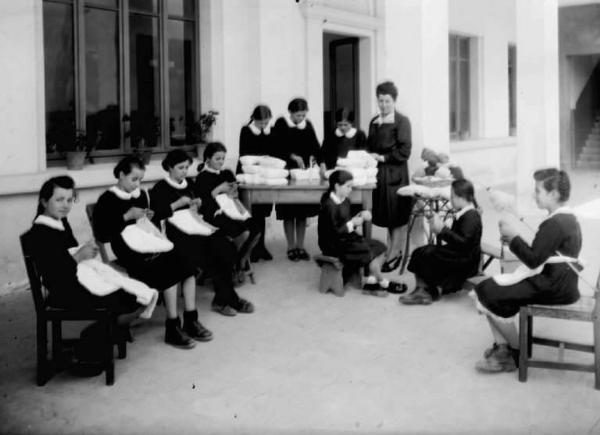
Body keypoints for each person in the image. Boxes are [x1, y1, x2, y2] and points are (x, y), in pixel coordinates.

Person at [93, 156, 213, 349]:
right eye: (133, 179)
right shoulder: (108, 199)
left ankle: (191, 319)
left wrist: (148, 217)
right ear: (121, 175)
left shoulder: (140, 195)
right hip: (129, 252)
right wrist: (125, 216)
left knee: (186, 263)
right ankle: (172, 326)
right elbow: (102, 233)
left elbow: (153, 219)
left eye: (140, 180)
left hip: (148, 244)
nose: (137, 185)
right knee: (169, 269)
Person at [29, 176, 142, 372]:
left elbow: (71, 249)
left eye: (69, 199)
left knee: (131, 291)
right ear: (44, 202)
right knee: (126, 296)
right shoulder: (41, 232)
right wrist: (79, 256)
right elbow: (55, 273)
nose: (65, 205)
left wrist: (84, 252)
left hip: (74, 280)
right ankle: (89, 346)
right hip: (63, 291)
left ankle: (95, 341)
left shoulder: (60, 221)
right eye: (59, 200)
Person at [474, 168, 582, 373]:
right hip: (562, 284)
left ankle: (514, 353)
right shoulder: (566, 219)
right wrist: (514, 238)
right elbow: (540, 253)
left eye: (538, 191)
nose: (534, 195)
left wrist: (513, 238)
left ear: (554, 194)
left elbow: (533, 259)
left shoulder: (556, 224)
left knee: (488, 290)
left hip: (554, 287)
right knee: (487, 287)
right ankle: (503, 348)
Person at [150, 149, 254, 316]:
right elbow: (156, 215)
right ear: (169, 167)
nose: (184, 171)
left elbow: (205, 205)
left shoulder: (189, 184)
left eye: (186, 167)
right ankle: (228, 299)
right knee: (210, 254)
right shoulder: (160, 188)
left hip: (197, 227)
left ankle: (222, 299)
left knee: (226, 247)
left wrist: (199, 203)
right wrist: (177, 204)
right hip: (176, 234)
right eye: (180, 168)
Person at [318, 170, 405, 296]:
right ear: (337, 186)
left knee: (379, 247)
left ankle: (370, 281)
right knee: (367, 250)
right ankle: (382, 282)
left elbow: (346, 219)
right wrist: (353, 223)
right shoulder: (329, 205)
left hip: (346, 239)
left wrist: (361, 215)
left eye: (351, 186)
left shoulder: (345, 200)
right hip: (332, 244)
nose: (350, 189)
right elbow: (334, 232)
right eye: (348, 186)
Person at [400, 178, 482, 305]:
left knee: (426, 253)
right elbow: (457, 238)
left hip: (466, 260)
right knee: (422, 251)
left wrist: (442, 230)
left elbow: (464, 244)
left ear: (462, 197)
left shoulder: (471, 217)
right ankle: (423, 290)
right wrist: (440, 229)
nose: (451, 199)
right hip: (459, 254)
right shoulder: (464, 212)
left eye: (453, 197)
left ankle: (426, 291)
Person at [194, 142, 261, 276]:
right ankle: (233, 263)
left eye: (223, 158)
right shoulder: (203, 177)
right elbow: (204, 202)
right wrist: (219, 189)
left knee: (256, 228)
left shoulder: (227, 173)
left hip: (231, 210)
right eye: (217, 158)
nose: (221, 162)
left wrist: (232, 192)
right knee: (243, 232)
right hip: (213, 213)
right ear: (208, 158)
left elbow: (235, 194)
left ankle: (240, 259)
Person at [367, 81, 412, 272]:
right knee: (386, 215)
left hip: (396, 174)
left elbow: (405, 150)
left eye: (387, 101)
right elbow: (370, 147)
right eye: (380, 101)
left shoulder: (402, 122)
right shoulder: (374, 122)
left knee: (397, 216)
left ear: (394, 101)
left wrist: (384, 157)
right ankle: (391, 251)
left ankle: (395, 254)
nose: (384, 105)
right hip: (380, 175)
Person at [272, 97, 321, 262]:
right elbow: (276, 147)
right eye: (298, 115)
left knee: (302, 213)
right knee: (288, 212)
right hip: (285, 173)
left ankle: (300, 247)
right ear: (291, 112)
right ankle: (290, 247)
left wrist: (317, 161)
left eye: (303, 115)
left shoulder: (307, 125)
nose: (301, 118)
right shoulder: (281, 123)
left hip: (302, 174)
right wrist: (293, 156)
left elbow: (315, 146)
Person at [238, 104, 276, 262]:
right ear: (254, 119)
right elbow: (245, 153)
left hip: (264, 176)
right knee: (251, 213)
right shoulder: (246, 131)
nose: (264, 126)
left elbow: (273, 151)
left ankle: (261, 246)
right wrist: (261, 160)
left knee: (262, 213)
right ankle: (251, 248)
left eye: (266, 122)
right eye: (261, 123)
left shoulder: (269, 131)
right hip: (250, 175)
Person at [319, 107, 367, 173]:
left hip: (353, 171)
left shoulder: (359, 135)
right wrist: (322, 163)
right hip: (334, 170)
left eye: (345, 125)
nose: (342, 127)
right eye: (340, 125)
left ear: (351, 123)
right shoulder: (331, 135)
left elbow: (363, 155)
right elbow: (323, 153)